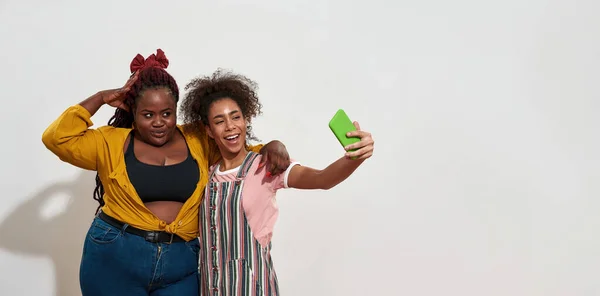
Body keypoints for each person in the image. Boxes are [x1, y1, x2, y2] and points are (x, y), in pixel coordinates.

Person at [41, 49, 291, 296]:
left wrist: (272, 145)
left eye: (166, 114)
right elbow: (57, 138)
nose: (158, 122)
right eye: (148, 115)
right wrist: (101, 97)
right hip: (115, 258)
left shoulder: (197, 139)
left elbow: (240, 152)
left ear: (176, 111)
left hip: (180, 265)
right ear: (134, 114)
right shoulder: (110, 142)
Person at [179, 69, 375, 295]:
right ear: (209, 131)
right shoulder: (207, 175)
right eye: (219, 121)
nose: (230, 126)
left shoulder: (265, 166)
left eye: (235, 117)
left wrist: (355, 158)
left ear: (246, 120)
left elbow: (323, 179)